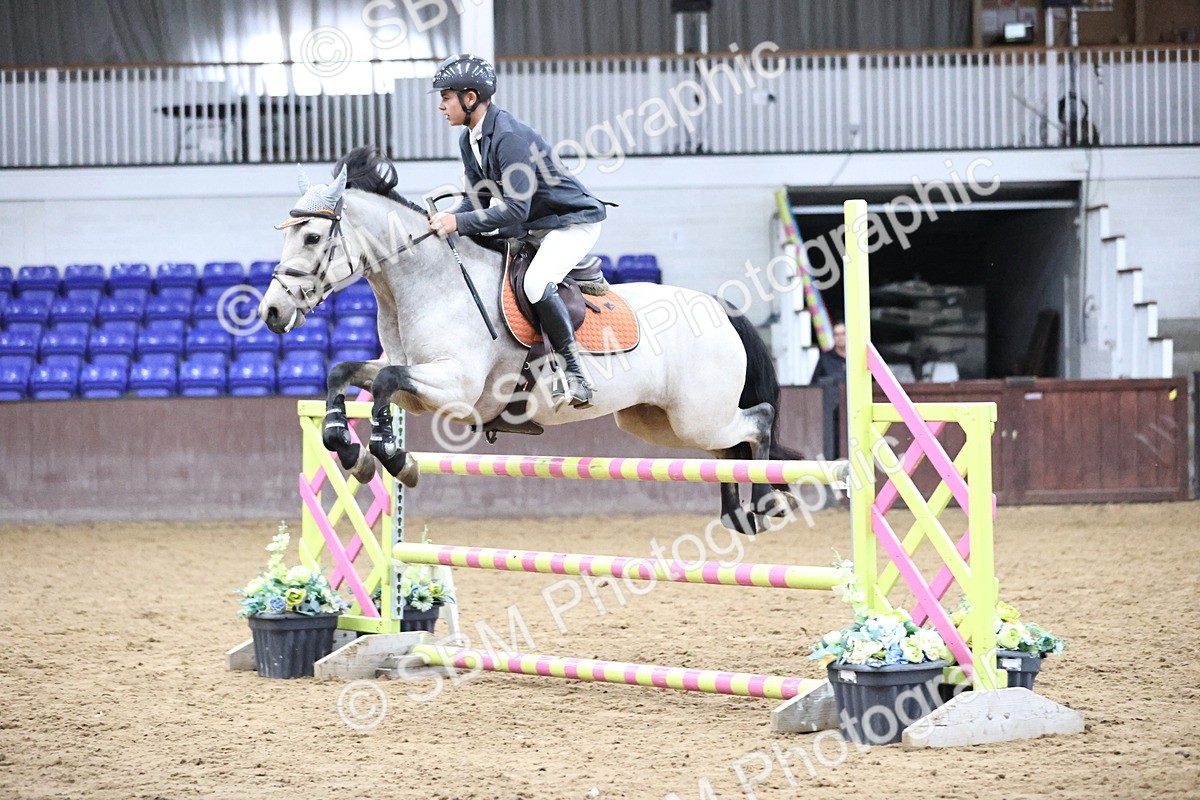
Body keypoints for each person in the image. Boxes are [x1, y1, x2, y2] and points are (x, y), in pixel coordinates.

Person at [427, 54, 608, 409]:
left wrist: (459, 224)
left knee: (535, 282)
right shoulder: (470, 141)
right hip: (537, 224)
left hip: (571, 221)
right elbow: (478, 200)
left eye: (446, 97)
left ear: (470, 97)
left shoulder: (509, 137)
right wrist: (446, 220)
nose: (441, 105)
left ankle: (575, 376)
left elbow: (513, 209)